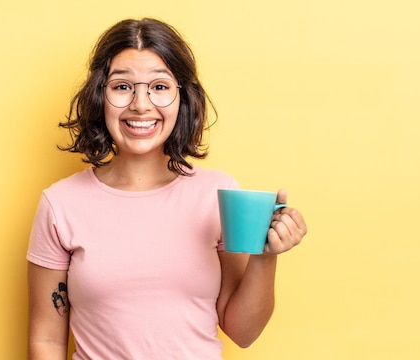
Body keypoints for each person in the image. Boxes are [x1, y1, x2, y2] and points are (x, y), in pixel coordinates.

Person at [27, 18, 307, 360]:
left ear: (182, 97)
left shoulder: (218, 194)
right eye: (122, 86)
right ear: (100, 95)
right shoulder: (60, 204)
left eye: (159, 86)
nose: (141, 105)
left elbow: (243, 332)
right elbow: (47, 340)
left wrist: (266, 256)